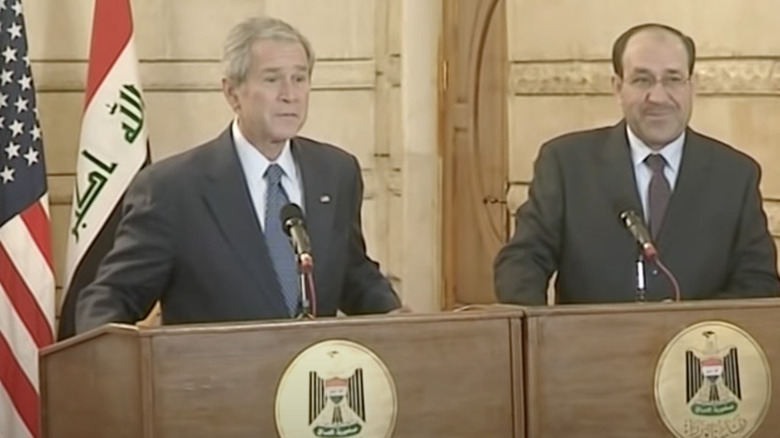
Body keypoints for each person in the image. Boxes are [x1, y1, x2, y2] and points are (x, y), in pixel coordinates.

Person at [75, 16, 401, 333]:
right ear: (232, 93)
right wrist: (109, 359)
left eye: (299, 78)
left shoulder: (335, 172)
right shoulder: (171, 189)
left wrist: (399, 318)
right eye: (272, 79)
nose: (290, 94)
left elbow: (352, 272)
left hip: (311, 381)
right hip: (215, 381)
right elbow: (114, 296)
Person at [494, 23, 780, 305]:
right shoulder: (566, 164)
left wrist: (693, 329)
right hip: (591, 347)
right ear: (618, 87)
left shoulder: (735, 175)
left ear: (692, 86)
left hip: (696, 349)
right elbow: (522, 261)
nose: (657, 97)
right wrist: (540, 336)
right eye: (642, 79)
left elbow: (758, 282)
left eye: (672, 79)